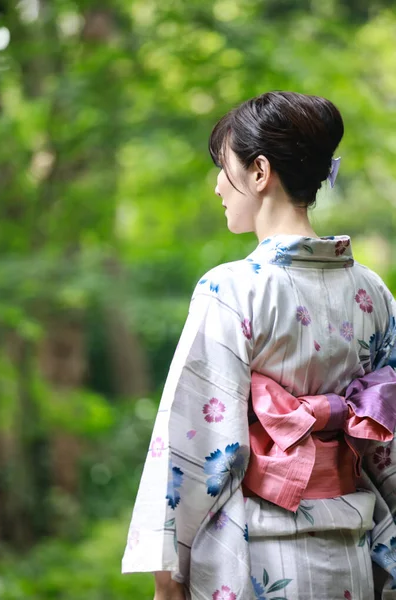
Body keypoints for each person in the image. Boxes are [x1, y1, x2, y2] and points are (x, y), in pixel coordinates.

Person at [122, 91, 396, 599]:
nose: (217, 187)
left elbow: (197, 441)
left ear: (259, 172)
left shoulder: (231, 289)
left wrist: (168, 576)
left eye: (223, 168)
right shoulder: (373, 292)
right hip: (353, 556)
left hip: (259, 557)